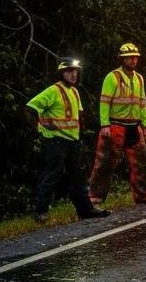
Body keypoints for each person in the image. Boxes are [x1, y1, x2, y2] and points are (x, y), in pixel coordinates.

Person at [26, 57, 110, 223]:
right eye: (69, 71)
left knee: (79, 177)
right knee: (52, 175)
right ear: (61, 73)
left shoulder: (74, 91)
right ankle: (40, 211)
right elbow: (30, 108)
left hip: (72, 141)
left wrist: (81, 136)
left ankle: (85, 210)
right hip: (56, 141)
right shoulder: (53, 90)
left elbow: (79, 116)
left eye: (75, 71)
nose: (73, 74)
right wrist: (39, 129)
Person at [88, 42, 146, 205]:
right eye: (129, 58)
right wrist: (104, 124)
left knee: (141, 162)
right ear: (122, 59)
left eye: (135, 58)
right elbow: (104, 102)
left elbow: (143, 104)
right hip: (115, 125)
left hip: (134, 126)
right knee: (105, 162)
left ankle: (142, 195)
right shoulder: (112, 77)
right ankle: (95, 195)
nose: (133, 61)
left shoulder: (139, 79)